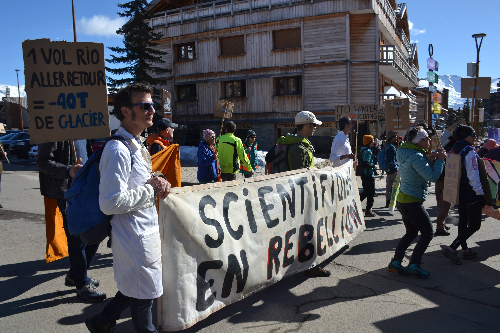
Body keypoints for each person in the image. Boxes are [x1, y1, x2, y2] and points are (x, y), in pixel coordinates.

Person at [86, 83, 171, 333]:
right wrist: (151, 189)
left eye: (152, 105)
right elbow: (110, 202)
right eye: (145, 106)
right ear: (125, 111)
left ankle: (101, 322)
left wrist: (155, 179)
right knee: (144, 297)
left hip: (143, 233)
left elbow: (137, 183)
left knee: (134, 288)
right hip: (134, 239)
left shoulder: (136, 144)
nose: (152, 110)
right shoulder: (117, 149)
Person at [37, 142, 105, 302]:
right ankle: (81, 284)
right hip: (65, 193)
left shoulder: (82, 127)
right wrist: (68, 171)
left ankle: (76, 275)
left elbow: (89, 156)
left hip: (86, 189)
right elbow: (42, 162)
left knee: (95, 233)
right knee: (76, 239)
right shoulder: (53, 131)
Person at [276, 111, 330, 277]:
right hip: (301, 196)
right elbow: (300, 176)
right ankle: (310, 266)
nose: (315, 128)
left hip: (298, 196)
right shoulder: (299, 148)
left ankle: (304, 262)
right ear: (307, 125)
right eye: (313, 125)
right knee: (309, 231)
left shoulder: (299, 144)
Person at [387, 126, 446, 279]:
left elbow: (414, 165)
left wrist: (429, 158)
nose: (429, 141)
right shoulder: (417, 156)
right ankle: (414, 265)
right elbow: (432, 177)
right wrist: (440, 160)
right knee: (428, 233)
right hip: (412, 201)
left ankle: (395, 262)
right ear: (418, 142)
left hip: (404, 199)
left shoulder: (407, 152)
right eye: (426, 138)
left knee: (412, 232)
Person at [441, 125, 485, 265]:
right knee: (474, 225)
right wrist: (480, 193)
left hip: (458, 191)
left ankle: (465, 250)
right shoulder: (468, 150)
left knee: (463, 221)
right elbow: (473, 174)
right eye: (473, 134)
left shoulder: (454, 149)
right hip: (471, 191)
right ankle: (452, 248)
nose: (475, 136)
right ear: (466, 135)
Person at [434, 137, 455, 236]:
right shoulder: (453, 150)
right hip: (447, 179)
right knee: (446, 204)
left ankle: (442, 224)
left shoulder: (441, 148)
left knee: (440, 203)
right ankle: (440, 227)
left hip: (438, 178)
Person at [359, 135, 376, 217]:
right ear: (369, 142)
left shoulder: (362, 150)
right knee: (371, 192)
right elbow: (367, 163)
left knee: (366, 191)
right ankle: (368, 210)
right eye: (372, 141)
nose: (374, 142)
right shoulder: (368, 151)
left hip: (363, 174)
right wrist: (374, 166)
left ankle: (356, 202)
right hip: (369, 174)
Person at [384, 131, 399, 208]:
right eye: (395, 137)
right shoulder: (391, 147)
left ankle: (388, 201)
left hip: (387, 169)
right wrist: (395, 168)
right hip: (392, 169)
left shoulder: (386, 146)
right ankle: (396, 202)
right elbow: (391, 160)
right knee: (397, 186)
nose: (396, 138)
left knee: (389, 186)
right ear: (392, 138)